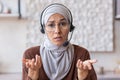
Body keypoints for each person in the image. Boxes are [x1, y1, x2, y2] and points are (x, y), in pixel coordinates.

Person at [22, 3, 97, 80]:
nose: (57, 31)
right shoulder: (31, 55)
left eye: (63, 24)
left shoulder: (81, 54)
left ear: (70, 28)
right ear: (44, 29)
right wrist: (32, 77)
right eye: (51, 25)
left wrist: (83, 77)